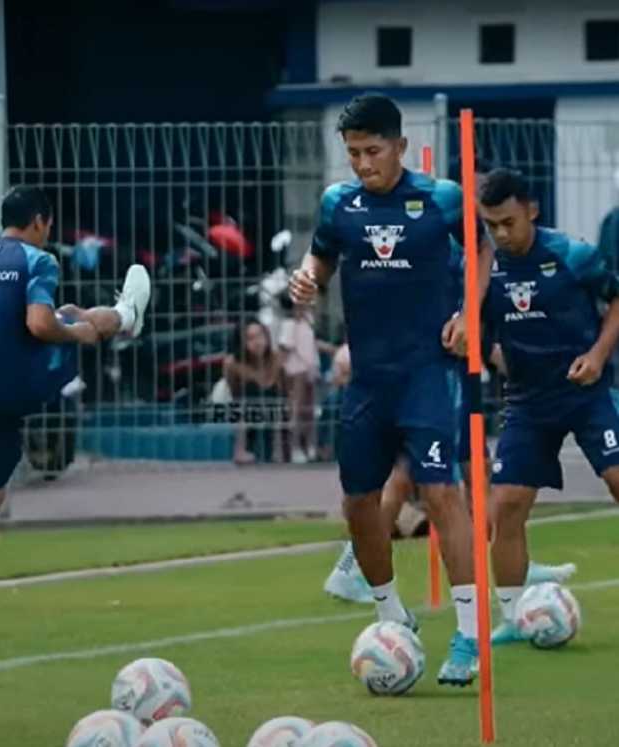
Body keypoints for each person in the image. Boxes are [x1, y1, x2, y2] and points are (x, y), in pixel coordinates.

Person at [289, 93, 491, 686]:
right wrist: (308, 280)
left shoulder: (441, 198)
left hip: (425, 374)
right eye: (352, 153)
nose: (362, 163)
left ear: (400, 146)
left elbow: (482, 250)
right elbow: (322, 258)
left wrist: (469, 315)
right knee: (356, 504)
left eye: (372, 151)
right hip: (368, 381)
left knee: (441, 495)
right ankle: (391, 615)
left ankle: (469, 636)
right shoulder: (338, 203)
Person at [0, 185, 151, 638]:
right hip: (21, 381)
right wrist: (73, 335)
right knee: (79, 322)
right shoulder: (38, 260)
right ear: (40, 222)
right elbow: (37, 323)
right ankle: (127, 315)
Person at [463, 168, 619, 645]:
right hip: (528, 402)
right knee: (506, 507)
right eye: (491, 225)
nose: (502, 233)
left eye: (509, 222)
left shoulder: (570, 254)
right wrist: (481, 344)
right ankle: (512, 617)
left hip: (586, 393)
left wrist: (596, 356)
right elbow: (476, 325)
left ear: (532, 210)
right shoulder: (486, 267)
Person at [220, 320, 282, 465]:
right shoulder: (232, 363)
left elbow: (278, 386)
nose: (257, 342)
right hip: (243, 407)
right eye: (250, 338)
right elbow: (233, 391)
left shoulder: (275, 357)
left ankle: (276, 451)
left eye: (260, 336)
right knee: (246, 397)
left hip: (271, 407)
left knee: (274, 401)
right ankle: (240, 450)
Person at [278, 295, 320, 463]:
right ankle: (295, 447)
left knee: (308, 411)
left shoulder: (307, 322)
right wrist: (279, 373)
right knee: (296, 410)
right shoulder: (289, 325)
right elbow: (285, 349)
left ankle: (309, 446)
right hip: (295, 371)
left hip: (309, 370)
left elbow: (311, 343)